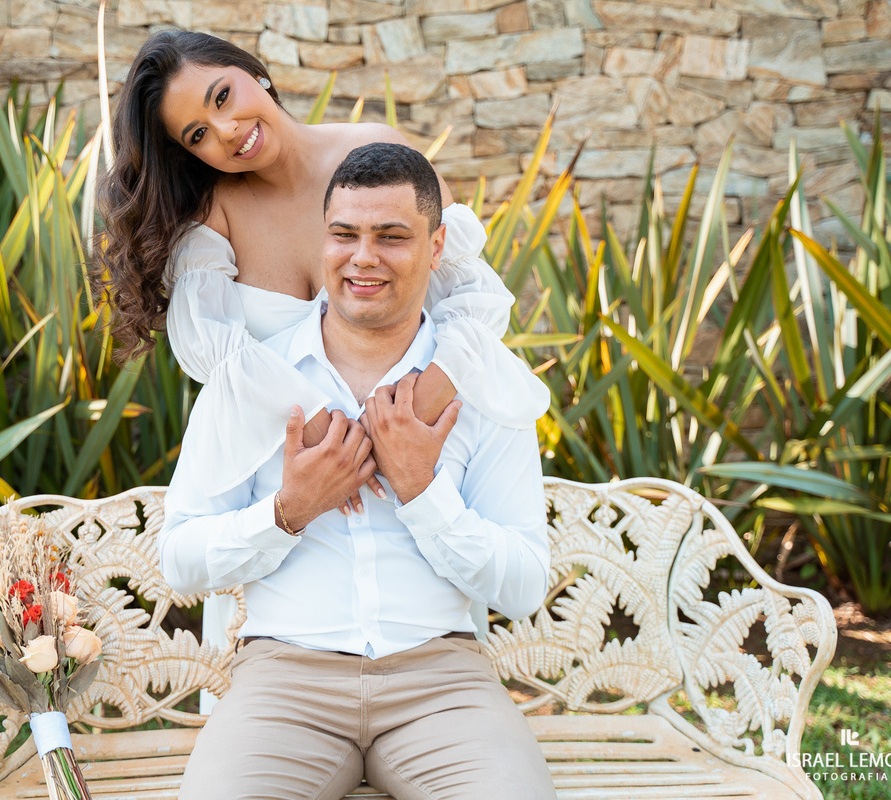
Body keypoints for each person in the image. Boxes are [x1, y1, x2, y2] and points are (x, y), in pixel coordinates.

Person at [159, 142, 557, 800]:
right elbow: (178, 561)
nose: (363, 257)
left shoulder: (480, 385)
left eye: (392, 236)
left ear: (436, 249)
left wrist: (422, 493)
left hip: (444, 686)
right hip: (283, 685)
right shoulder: (250, 380)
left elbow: (522, 588)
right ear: (323, 241)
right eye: (344, 234)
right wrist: (287, 512)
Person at [92, 30, 550, 504]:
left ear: (256, 73)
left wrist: (410, 421)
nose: (226, 129)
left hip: (426, 459)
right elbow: (212, 349)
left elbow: (471, 297)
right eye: (198, 134)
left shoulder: (379, 152)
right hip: (300, 479)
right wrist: (324, 440)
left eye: (223, 96)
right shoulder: (214, 217)